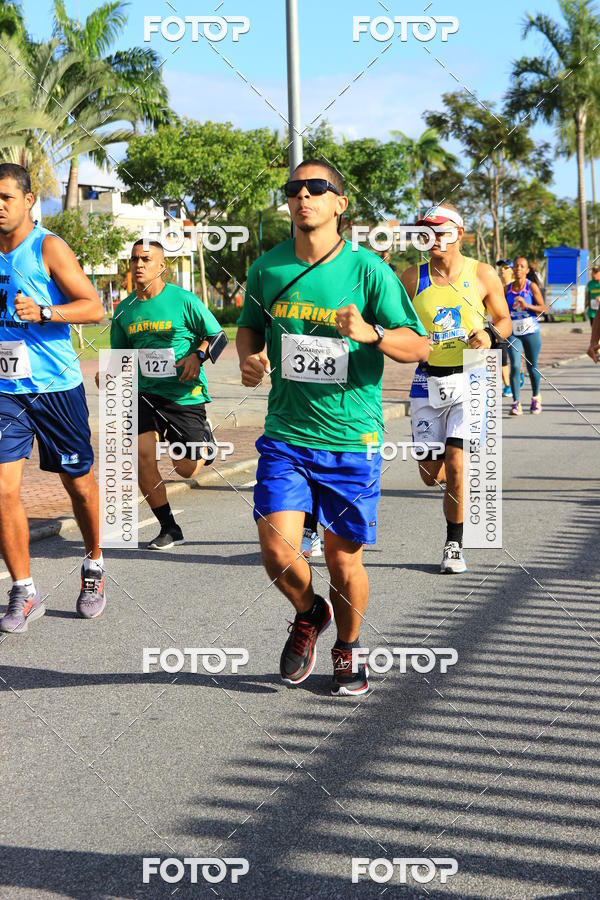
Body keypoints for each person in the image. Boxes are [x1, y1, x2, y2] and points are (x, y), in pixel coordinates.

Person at [236, 158, 429, 696]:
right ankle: (309, 612)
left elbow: (418, 344)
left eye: (317, 188)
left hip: (351, 439)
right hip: (286, 434)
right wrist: (249, 359)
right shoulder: (267, 268)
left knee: (344, 561)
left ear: (340, 203)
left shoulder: (369, 270)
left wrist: (372, 334)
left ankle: (348, 645)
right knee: (278, 550)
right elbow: (249, 329)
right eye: (294, 188)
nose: (303, 196)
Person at [0, 163, 106, 634]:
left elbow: (94, 308)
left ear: (28, 201)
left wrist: (44, 312)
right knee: (2, 490)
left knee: (78, 486)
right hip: (6, 391)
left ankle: (94, 564)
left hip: (55, 388)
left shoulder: (48, 247)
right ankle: (24, 590)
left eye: (6, 197)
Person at [401, 204, 511, 574]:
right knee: (430, 474)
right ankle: (453, 472)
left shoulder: (481, 273)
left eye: (440, 230)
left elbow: (504, 319)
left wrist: (489, 334)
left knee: (457, 461)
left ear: (459, 234)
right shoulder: (412, 278)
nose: (431, 237)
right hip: (427, 380)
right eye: (425, 231)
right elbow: (393, 320)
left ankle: (454, 544)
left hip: (473, 376)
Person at [108, 239, 226, 549]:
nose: (139, 264)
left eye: (146, 259)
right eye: (134, 259)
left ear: (161, 266)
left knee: (184, 468)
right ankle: (169, 527)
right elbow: (121, 356)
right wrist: (109, 373)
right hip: (144, 394)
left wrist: (198, 356)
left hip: (183, 394)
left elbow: (218, 336)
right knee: (142, 458)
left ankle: (205, 442)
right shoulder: (123, 310)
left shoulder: (183, 300)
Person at [505, 256, 546, 415]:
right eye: (516, 266)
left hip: (530, 332)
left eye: (522, 266)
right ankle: (516, 403)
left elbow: (543, 308)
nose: (518, 269)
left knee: (532, 366)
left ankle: (536, 398)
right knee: (515, 365)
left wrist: (526, 305)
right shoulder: (507, 289)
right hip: (513, 333)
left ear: (527, 270)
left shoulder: (531, 286)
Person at [585, 265, 600, 329]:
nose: (594, 275)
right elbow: (588, 294)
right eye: (593, 272)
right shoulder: (590, 284)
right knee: (594, 329)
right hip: (592, 312)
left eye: (596, 273)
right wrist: (586, 303)